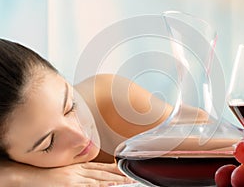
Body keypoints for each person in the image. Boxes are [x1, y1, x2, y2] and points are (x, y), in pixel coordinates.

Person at [0, 38, 209, 186]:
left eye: (71, 106)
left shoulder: (114, 103)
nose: (80, 135)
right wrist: (19, 178)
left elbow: (228, 149)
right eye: (48, 143)